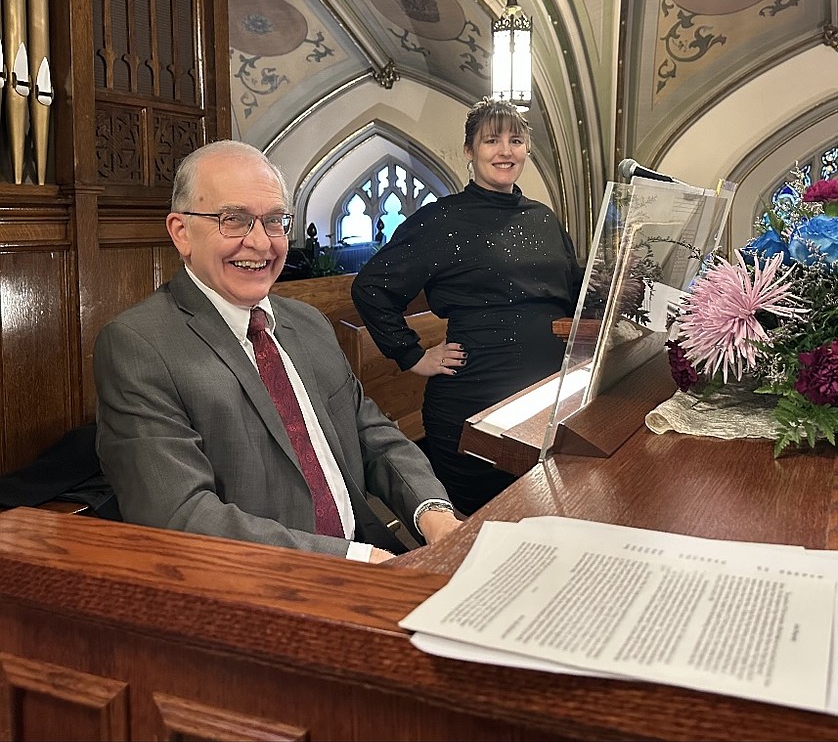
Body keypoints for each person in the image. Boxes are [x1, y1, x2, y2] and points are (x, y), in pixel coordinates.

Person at [95, 140, 460, 562]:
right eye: (234, 220)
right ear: (181, 232)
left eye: (273, 221)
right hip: (262, 590)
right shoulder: (138, 345)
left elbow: (370, 435)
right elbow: (181, 515)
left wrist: (434, 514)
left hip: (372, 555)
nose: (260, 243)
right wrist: (356, 560)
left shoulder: (308, 323)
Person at [352, 99, 584, 515]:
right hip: (470, 404)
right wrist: (412, 355)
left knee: (539, 522)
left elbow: (575, 286)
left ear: (526, 149)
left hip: (544, 402)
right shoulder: (440, 220)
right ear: (469, 151)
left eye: (515, 140)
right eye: (491, 140)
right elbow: (371, 288)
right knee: (481, 531)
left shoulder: (543, 218)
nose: (505, 151)